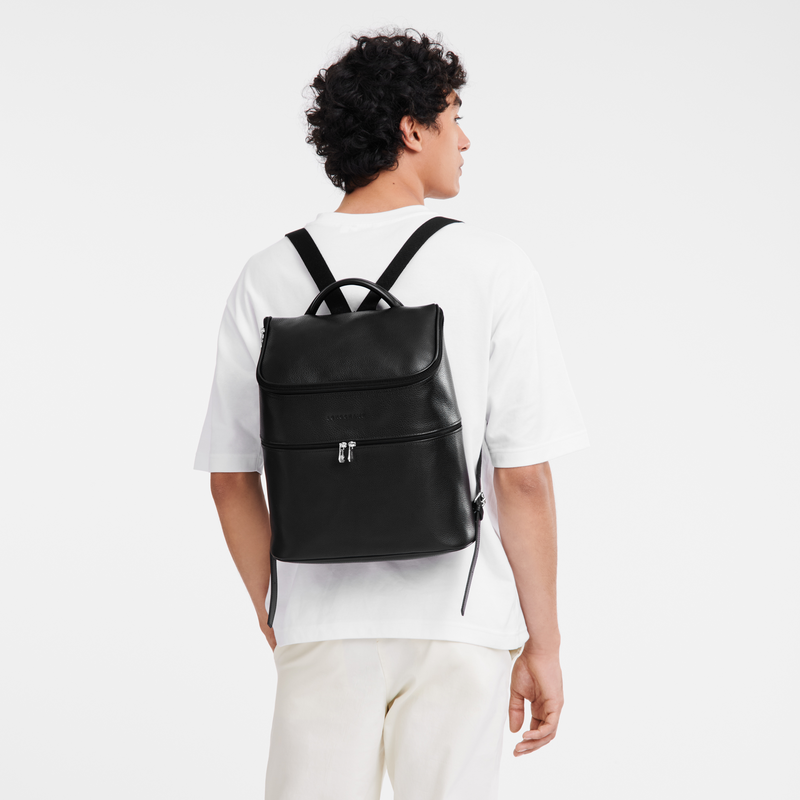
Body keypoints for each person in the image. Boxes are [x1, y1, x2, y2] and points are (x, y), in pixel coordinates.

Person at [194, 28, 590, 800]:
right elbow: (523, 479)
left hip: (320, 624)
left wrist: (279, 612)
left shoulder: (266, 274)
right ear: (413, 129)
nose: (465, 139)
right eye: (454, 118)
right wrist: (543, 644)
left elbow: (231, 479)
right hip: (458, 620)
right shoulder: (493, 265)